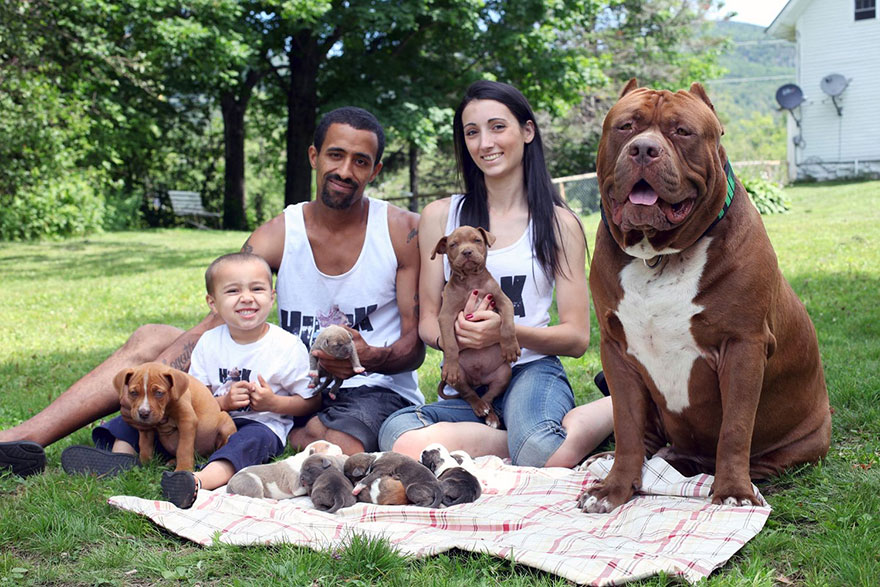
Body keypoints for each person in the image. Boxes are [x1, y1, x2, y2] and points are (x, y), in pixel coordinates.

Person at [0, 106, 424, 476]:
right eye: (335, 155)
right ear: (314, 156)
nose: (345, 171)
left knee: (326, 440)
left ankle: (162, 439)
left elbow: (414, 348)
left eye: (360, 161)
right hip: (283, 378)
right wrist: (153, 379)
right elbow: (219, 316)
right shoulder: (280, 233)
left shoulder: (400, 231)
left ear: (375, 171)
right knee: (151, 338)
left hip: (366, 389)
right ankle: (25, 439)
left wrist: (371, 357)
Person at [378, 80, 613, 468]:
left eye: (497, 127)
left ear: (527, 131)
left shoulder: (558, 223)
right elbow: (428, 322)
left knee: (538, 449)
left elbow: (576, 338)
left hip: (531, 368)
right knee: (397, 434)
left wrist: (504, 331)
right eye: (472, 132)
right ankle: (516, 439)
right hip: (470, 378)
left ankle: (620, 404)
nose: (485, 143)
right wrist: (459, 338)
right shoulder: (441, 217)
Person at [64, 253, 321, 508]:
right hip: (206, 419)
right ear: (213, 303)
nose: (246, 297)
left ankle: (198, 480)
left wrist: (273, 403)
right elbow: (195, 399)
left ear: (272, 297)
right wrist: (224, 402)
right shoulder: (209, 342)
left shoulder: (287, 346)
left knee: (248, 442)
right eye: (233, 291)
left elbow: (310, 402)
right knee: (142, 412)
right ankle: (122, 457)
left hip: (261, 423)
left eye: (257, 289)